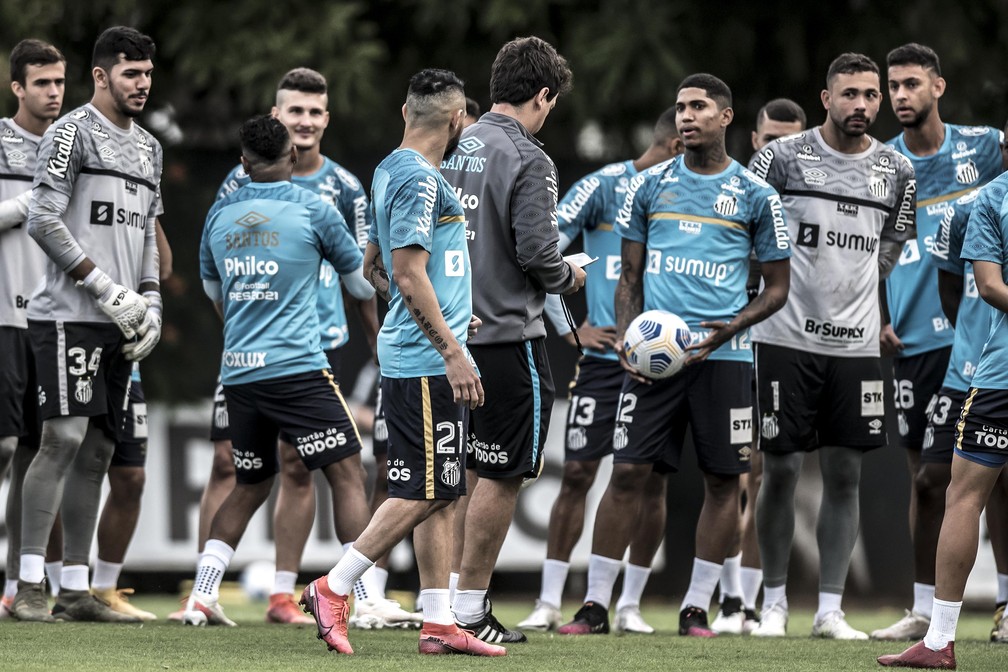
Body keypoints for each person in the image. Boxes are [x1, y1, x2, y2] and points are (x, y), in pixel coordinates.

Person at [177, 67, 413, 628]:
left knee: (250, 480)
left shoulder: (220, 217)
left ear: (242, 164)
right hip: (298, 366)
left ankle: (203, 594)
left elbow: (215, 294)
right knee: (347, 471)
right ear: (288, 159)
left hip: (239, 370)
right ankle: (364, 595)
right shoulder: (314, 208)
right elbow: (360, 285)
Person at [558, 73, 791, 638]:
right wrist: (630, 340)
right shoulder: (650, 186)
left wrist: (727, 330)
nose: (686, 117)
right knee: (628, 472)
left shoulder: (758, 197)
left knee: (722, 482)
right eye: (681, 107)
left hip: (726, 361)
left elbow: (777, 289)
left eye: (699, 107)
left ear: (726, 117)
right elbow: (629, 277)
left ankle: (696, 608)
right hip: (653, 364)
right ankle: (594, 606)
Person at [299, 68, 504, 658]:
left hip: (416, 348)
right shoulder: (420, 180)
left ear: (405, 111)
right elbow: (405, 274)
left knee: (441, 488)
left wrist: (449, 309)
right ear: (458, 118)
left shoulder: (389, 168)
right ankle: (333, 586)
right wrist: (451, 348)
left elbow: (374, 268)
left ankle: (439, 621)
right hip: (425, 362)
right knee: (427, 487)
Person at [748, 52, 917, 639]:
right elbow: (750, 225)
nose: (862, 106)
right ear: (826, 98)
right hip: (785, 337)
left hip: (857, 347)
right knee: (782, 469)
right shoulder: (781, 157)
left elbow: (894, 241)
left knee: (846, 474)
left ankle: (828, 610)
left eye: (871, 95)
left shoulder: (896, 169)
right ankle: (772, 604)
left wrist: (867, 291)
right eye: (850, 95)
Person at [10, 26, 164, 623]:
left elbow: (147, 235)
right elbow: (43, 221)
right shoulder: (70, 131)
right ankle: (27, 586)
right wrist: (104, 287)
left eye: (148, 74)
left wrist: (151, 303)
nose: (143, 84)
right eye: (131, 73)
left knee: (100, 450)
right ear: (101, 76)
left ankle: (75, 590)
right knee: (63, 440)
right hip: (70, 314)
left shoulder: (151, 146)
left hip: (123, 320)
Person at [439, 35, 585, 643]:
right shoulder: (531, 157)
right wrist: (569, 275)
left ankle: (446, 604)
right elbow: (535, 251)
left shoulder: (452, 144)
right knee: (500, 477)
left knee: (463, 476)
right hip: (505, 337)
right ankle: (469, 610)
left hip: (447, 334)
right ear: (543, 95)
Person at [517, 107, 683, 634]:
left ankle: (629, 603)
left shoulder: (693, 195)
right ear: (677, 145)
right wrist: (571, 330)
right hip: (606, 359)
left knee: (651, 480)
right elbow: (543, 251)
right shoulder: (604, 186)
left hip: (664, 362)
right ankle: (548, 600)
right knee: (580, 473)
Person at [872, 42, 1004, 642]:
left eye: (910, 84)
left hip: (981, 339)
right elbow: (866, 250)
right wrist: (877, 315)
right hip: (917, 343)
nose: (899, 96)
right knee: (927, 480)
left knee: (995, 476)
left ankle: (1005, 603)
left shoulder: (985, 146)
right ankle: (926, 608)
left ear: (938, 87)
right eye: (891, 86)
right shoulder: (879, 165)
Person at [712, 97, 807, 636]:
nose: (779, 154)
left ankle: (748, 600)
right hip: (730, 350)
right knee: (735, 473)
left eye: (791, 144)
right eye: (771, 142)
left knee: (764, 476)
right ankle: (727, 599)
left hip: (783, 349)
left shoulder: (802, 203)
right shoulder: (736, 195)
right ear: (754, 141)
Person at [0, 38, 66, 618]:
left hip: (52, 321)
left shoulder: (74, 148)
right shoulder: (0, 141)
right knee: (2, 447)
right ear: (17, 87)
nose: (52, 93)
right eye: (41, 83)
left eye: (58, 82)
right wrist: (32, 203)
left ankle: (21, 586)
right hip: (1, 314)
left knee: (33, 451)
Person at [90, 222, 172, 622]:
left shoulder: (137, 191)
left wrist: (150, 205)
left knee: (130, 478)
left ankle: (104, 588)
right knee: (60, 465)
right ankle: (42, 585)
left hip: (126, 361)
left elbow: (165, 268)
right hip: (73, 335)